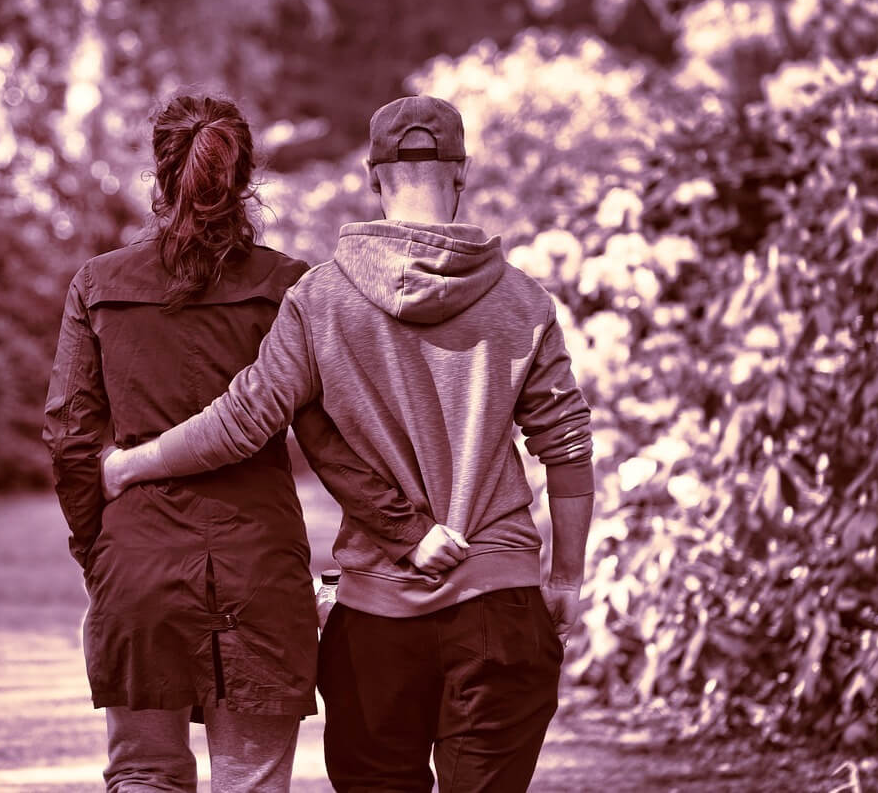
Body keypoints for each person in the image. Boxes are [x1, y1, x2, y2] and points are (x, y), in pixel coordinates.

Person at [102, 95, 596, 793]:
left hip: (376, 624)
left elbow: (243, 420)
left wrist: (132, 463)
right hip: (500, 603)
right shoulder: (522, 300)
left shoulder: (321, 299)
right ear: (462, 172)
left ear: (372, 176)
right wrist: (566, 578)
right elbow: (567, 446)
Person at [42, 93, 440, 792]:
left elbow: (70, 440)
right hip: (260, 570)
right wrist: (408, 531)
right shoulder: (289, 287)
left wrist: (98, 551)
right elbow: (334, 442)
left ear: (160, 175)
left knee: (144, 774)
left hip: (137, 565)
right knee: (250, 782)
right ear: (246, 177)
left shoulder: (98, 285)